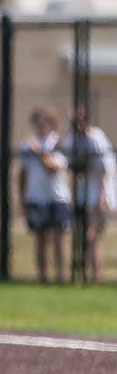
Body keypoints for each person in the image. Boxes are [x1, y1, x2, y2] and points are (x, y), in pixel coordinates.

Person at [62, 107, 117, 282]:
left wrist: (102, 197)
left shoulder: (96, 138)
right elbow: (65, 161)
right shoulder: (72, 140)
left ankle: (95, 276)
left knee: (92, 235)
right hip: (82, 194)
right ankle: (84, 273)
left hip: (97, 195)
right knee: (85, 235)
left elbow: (104, 170)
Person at [18, 107, 71, 283]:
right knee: (40, 238)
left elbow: (53, 169)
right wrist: (22, 198)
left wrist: (39, 152)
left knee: (59, 238)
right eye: (38, 122)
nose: (41, 125)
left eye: (45, 121)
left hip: (58, 197)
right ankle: (42, 277)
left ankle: (62, 276)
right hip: (36, 197)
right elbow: (23, 173)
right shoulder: (28, 144)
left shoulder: (58, 142)